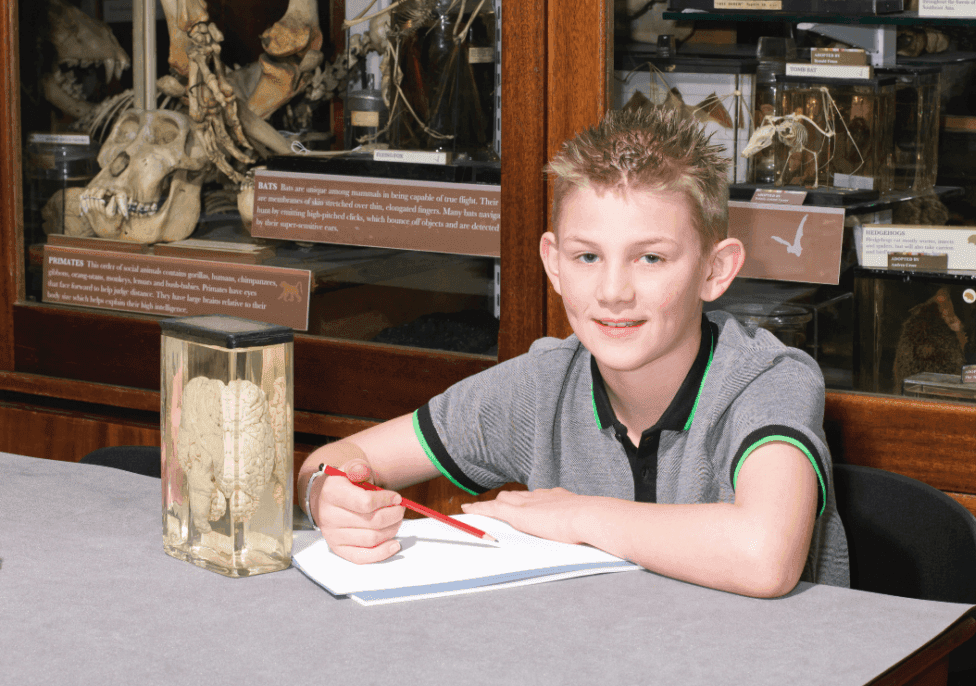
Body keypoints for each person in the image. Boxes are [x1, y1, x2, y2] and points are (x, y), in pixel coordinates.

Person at [297, 103, 849, 597]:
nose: (613, 291)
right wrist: (325, 495)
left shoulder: (767, 379)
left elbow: (764, 556)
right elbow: (334, 462)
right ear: (554, 263)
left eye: (650, 258)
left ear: (715, 268)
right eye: (588, 257)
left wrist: (578, 515)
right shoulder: (542, 385)